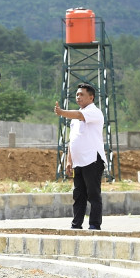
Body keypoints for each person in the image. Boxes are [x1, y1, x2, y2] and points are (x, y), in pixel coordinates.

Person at [55, 83, 105, 230]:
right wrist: (69, 161)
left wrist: (61, 112)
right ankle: (76, 225)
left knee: (93, 194)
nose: (78, 97)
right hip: (78, 162)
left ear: (91, 97)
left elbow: (79, 115)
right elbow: (72, 140)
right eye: (77, 94)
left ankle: (95, 224)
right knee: (78, 195)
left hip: (92, 160)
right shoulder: (74, 118)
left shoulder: (94, 112)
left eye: (81, 94)